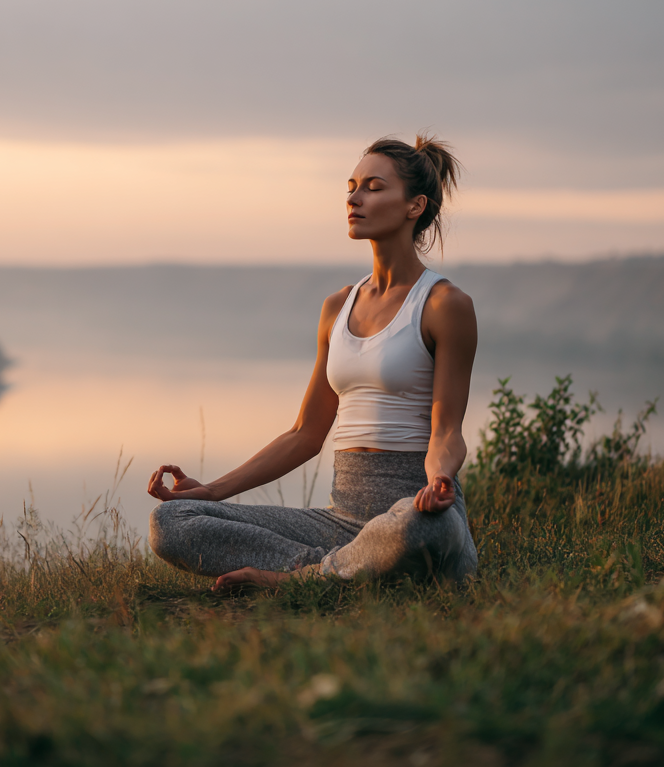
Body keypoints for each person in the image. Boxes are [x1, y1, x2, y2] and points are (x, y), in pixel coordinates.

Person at [147, 134, 479, 591]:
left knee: (418, 530)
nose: (354, 198)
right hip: (340, 521)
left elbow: (446, 431)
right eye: (351, 185)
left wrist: (439, 481)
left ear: (414, 206)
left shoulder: (444, 305)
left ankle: (299, 579)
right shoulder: (337, 307)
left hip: (413, 509)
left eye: (373, 187)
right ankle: (335, 570)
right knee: (172, 520)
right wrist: (210, 491)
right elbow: (305, 434)